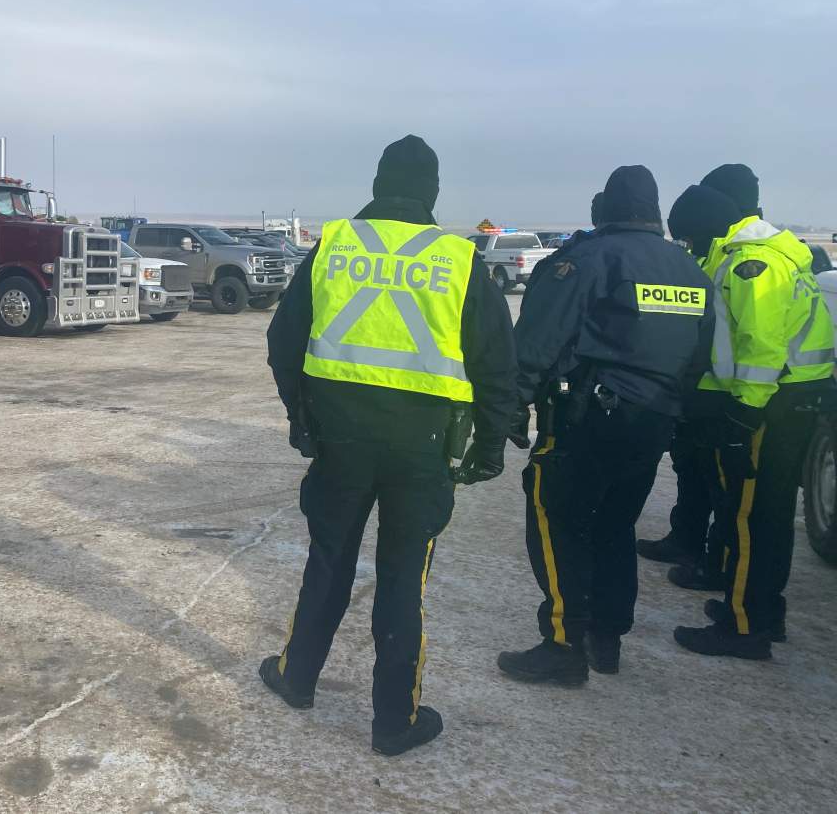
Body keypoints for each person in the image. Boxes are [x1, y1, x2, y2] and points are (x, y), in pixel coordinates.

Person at [262, 135, 516, 755]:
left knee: (329, 561)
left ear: (377, 183)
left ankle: (297, 679)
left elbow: (283, 341)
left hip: (340, 439)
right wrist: (490, 444)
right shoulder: (459, 260)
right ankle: (393, 722)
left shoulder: (334, 245)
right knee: (404, 578)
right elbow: (495, 363)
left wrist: (302, 416)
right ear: (432, 192)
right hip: (425, 448)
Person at [497, 166, 713, 684]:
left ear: (607, 208)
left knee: (556, 519)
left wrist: (510, 406)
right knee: (615, 525)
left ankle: (563, 644)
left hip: (585, 419)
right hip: (655, 422)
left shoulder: (586, 261)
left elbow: (537, 343)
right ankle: (606, 637)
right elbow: (701, 355)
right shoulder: (690, 271)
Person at [669, 185, 835, 658]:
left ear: (705, 229)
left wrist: (744, 415)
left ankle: (745, 627)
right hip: (790, 398)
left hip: (770, 404)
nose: (691, 248)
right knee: (770, 513)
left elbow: (762, 347)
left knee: (751, 514)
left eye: (690, 239)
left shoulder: (750, 265)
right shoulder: (773, 253)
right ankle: (757, 610)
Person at [638, 165, 763, 583]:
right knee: (692, 469)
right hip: (702, 388)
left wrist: (743, 406)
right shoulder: (719, 248)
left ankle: (718, 564)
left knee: (723, 485)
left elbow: (754, 339)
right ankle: (687, 539)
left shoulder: (747, 255)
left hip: (727, 394)